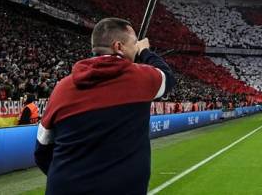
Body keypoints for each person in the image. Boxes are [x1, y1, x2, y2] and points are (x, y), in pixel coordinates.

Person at [34, 18, 174, 195]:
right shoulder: (140, 79)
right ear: (118, 47)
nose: (135, 47)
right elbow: (167, 77)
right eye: (133, 43)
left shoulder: (62, 88)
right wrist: (145, 51)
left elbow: (42, 150)